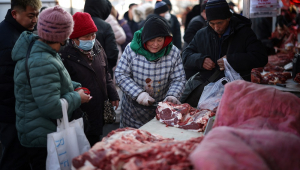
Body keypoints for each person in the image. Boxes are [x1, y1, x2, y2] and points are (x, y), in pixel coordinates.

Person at [12, 6, 91, 169]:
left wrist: (74, 87)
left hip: (40, 131)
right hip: (42, 137)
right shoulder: (43, 61)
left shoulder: (43, 52)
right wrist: (78, 98)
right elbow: (52, 107)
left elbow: (53, 83)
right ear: (62, 36)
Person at [60, 12, 119, 146]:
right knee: (83, 147)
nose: (92, 38)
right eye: (87, 36)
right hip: (80, 112)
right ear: (74, 38)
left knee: (96, 142)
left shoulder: (97, 46)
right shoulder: (65, 55)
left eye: (93, 34)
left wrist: (112, 93)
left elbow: (105, 72)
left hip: (98, 107)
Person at [115, 17, 186, 128]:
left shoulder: (173, 53)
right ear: (144, 38)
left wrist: (172, 95)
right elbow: (120, 75)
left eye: (159, 40)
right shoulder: (131, 50)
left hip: (161, 113)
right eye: (151, 40)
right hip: (133, 113)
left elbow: (178, 79)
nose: (156, 44)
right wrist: (139, 94)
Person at [0, 0, 41, 169]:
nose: (35, 20)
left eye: (37, 15)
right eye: (31, 16)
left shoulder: (22, 32)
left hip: (19, 112)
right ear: (15, 14)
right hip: (11, 114)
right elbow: (5, 84)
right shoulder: (8, 39)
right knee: (14, 159)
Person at [182, 0, 268, 81]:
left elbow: (261, 57)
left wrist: (231, 61)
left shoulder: (244, 32)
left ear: (228, 18)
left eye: (220, 23)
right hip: (209, 89)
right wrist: (200, 60)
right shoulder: (201, 34)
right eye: (211, 23)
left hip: (238, 88)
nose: (216, 28)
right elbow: (185, 56)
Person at [84, 0, 119, 78]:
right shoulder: (105, 26)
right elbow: (112, 53)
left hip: (79, 74)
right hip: (102, 74)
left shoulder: (77, 23)